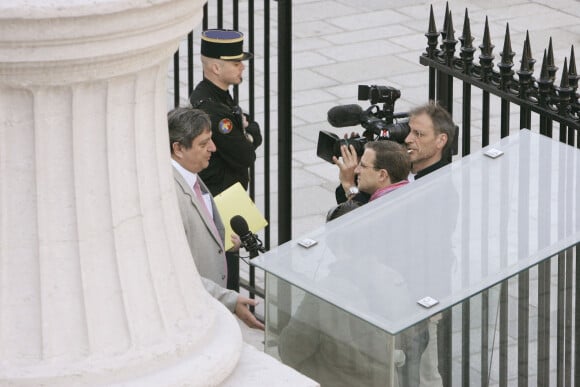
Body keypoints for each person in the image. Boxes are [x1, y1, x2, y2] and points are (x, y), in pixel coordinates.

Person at [169, 106, 264, 330]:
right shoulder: (171, 194)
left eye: (210, 140)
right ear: (179, 149)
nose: (213, 148)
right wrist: (227, 299)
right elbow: (175, 271)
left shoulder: (191, 175)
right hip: (192, 316)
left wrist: (221, 244)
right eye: (203, 144)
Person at [189, 29, 262, 291]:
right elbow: (245, 154)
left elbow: (248, 128)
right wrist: (248, 133)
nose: (242, 66)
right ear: (216, 68)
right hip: (221, 200)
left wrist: (247, 131)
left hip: (227, 196)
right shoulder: (213, 108)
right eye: (236, 62)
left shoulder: (214, 96)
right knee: (226, 279)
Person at [327, 141, 410, 221]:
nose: (356, 170)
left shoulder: (386, 210)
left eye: (363, 165)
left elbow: (358, 221)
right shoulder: (407, 192)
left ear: (382, 175)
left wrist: (349, 185)